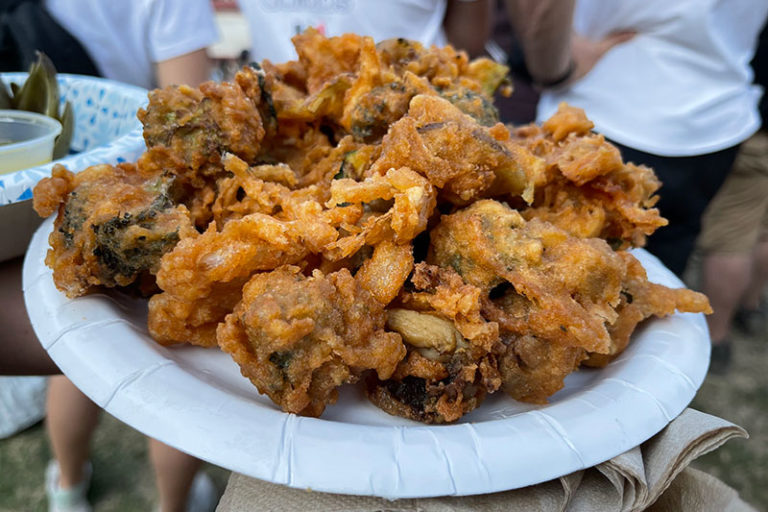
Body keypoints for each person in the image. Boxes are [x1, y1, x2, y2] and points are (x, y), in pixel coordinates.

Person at [0, 1, 219, 511]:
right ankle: (174, 504)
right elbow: (184, 117)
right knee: (180, 385)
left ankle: (67, 485)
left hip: (67, 197)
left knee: (73, 363)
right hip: (149, 211)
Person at [535, 0, 768, 282]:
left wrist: (553, 67)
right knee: (665, 259)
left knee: (555, 259)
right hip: (715, 121)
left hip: (602, 105)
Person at [697, 20, 768, 373]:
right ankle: (752, 306)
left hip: (752, 129)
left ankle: (716, 338)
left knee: (730, 239)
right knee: (763, 229)